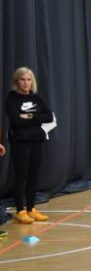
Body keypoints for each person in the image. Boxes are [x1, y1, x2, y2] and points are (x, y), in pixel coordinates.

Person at [5, 68, 54, 225]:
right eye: (22, 79)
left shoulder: (37, 98)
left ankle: (31, 208)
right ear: (16, 82)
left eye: (29, 79)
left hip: (36, 141)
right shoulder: (11, 99)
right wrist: (35, 119)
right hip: (20, 142)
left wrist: (29, 116)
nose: (26, 83)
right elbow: (15, 120)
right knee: (22, 176)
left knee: (34, 175)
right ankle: (20, 210)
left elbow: (48, 117)